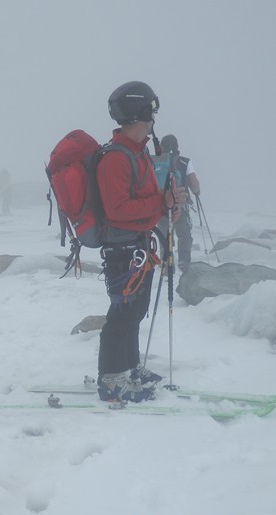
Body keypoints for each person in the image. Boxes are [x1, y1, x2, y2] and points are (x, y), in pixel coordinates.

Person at [96, 82, 187, 403]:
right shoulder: (116, 159)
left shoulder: (138, 154)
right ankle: (111, 379)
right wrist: (159, 203)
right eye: (152, 111)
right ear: (141, 113)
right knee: (121, 314)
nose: (154, 119)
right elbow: (117, 209)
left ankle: (129, 368)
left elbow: (147, 200)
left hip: (138, 245)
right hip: (122, 249)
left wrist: (168, 203)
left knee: (135, 312)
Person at [152, 134, 201, 271]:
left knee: (164, 235)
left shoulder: (154, 162)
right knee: (184, 235)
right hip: (180, 202)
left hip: (160, 205)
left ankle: (167, 265)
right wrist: (197, 191)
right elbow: (194, 185)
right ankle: (184, 262)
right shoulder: (185, 162)